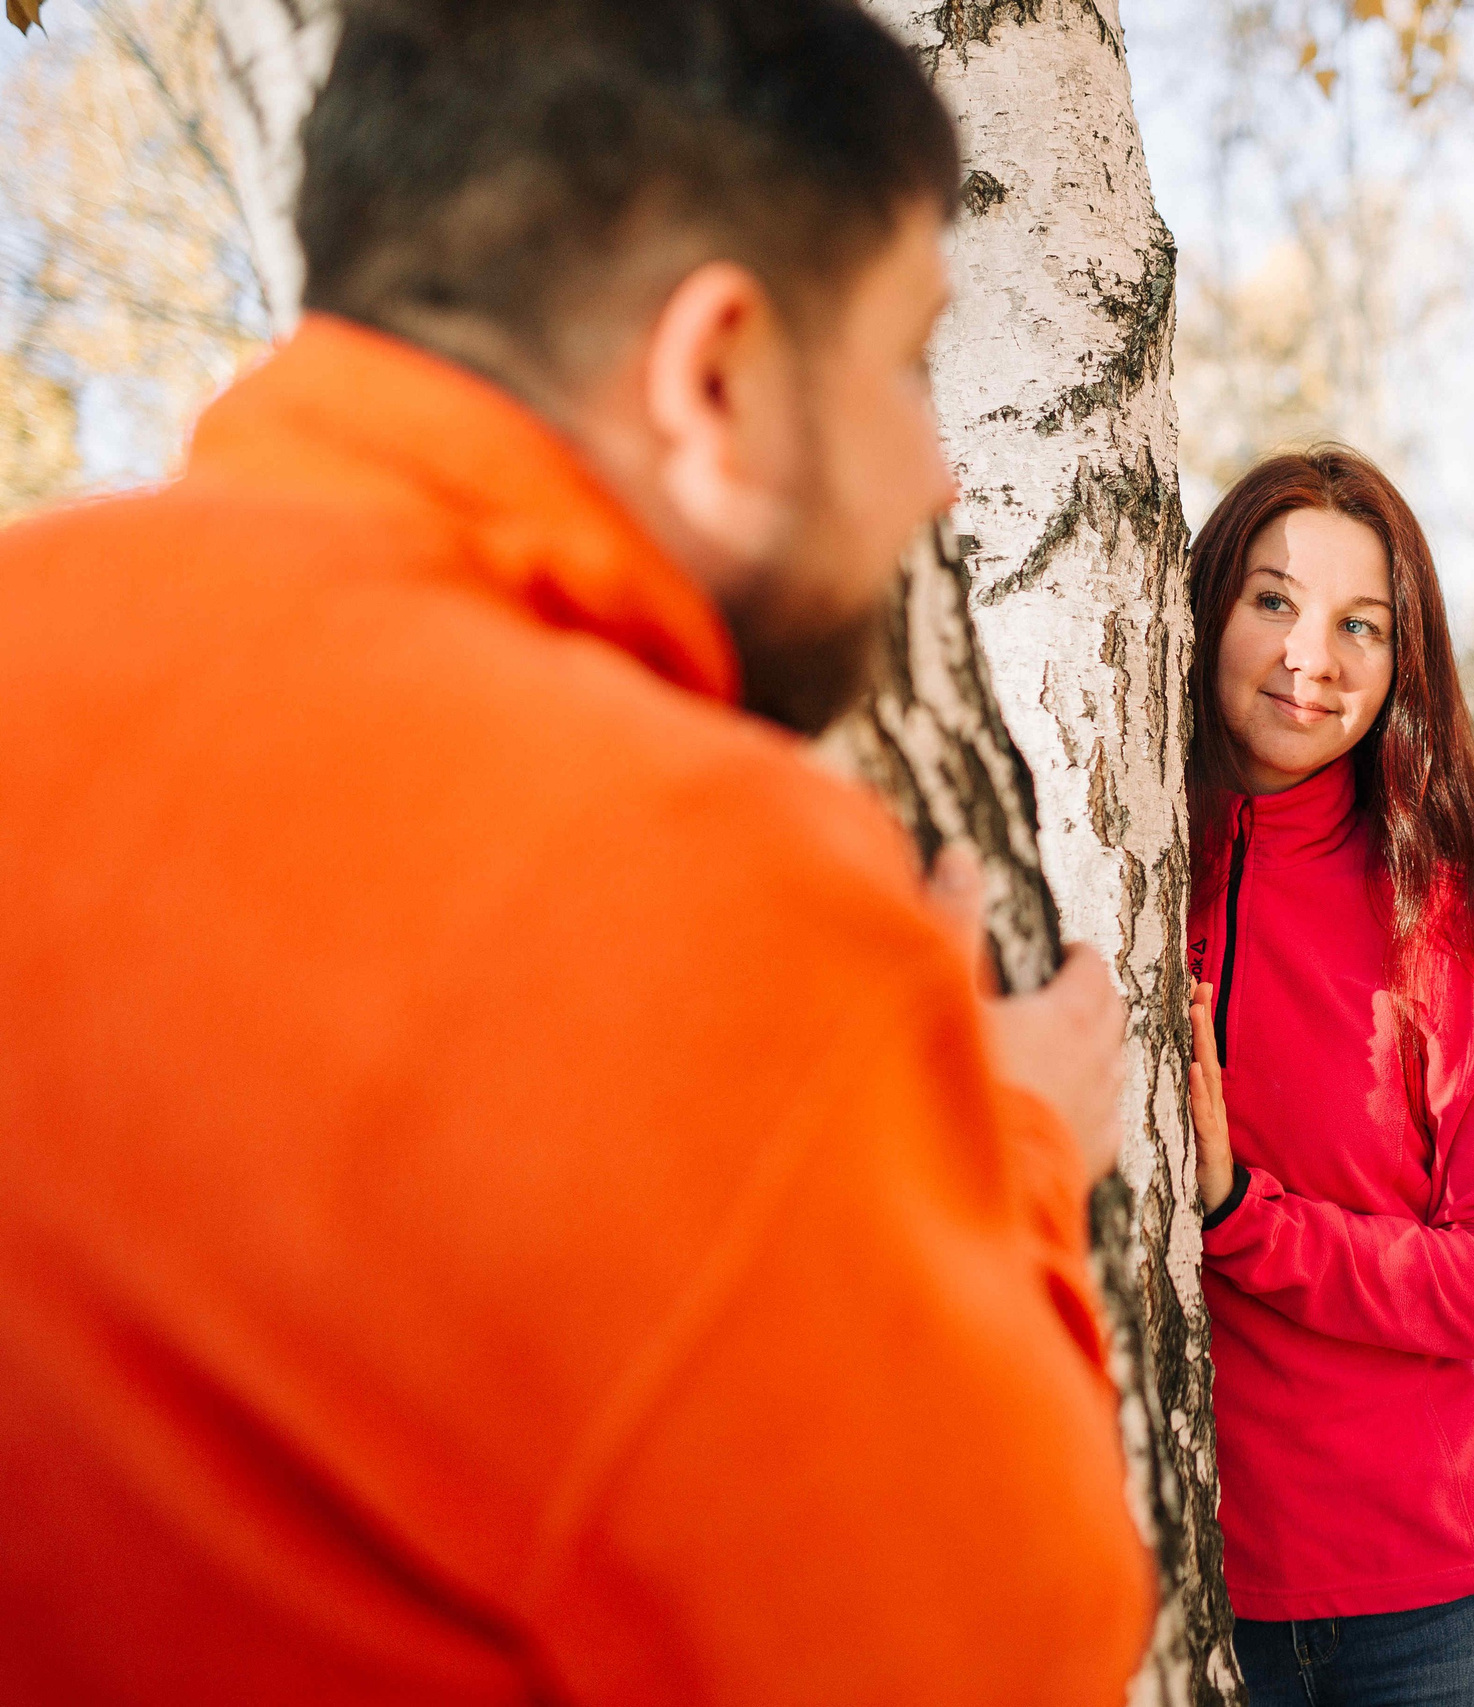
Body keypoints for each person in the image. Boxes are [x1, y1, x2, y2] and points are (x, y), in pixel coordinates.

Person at [0, 1, 1153, 1701]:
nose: (935, 479)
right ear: (715, 373)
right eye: (909, 357)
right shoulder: (716, 893)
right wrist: (1015, 1151)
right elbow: (1008, 1656)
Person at [1180, 446, 1474, 1706]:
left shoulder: (1436, 919)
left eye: (1363, 625)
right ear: (1203, 609)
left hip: (1435, 1617)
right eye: (1274, 600)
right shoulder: (1103, 859)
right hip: (1178, 1592)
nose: (1314, 658)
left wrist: (1245, 1218)